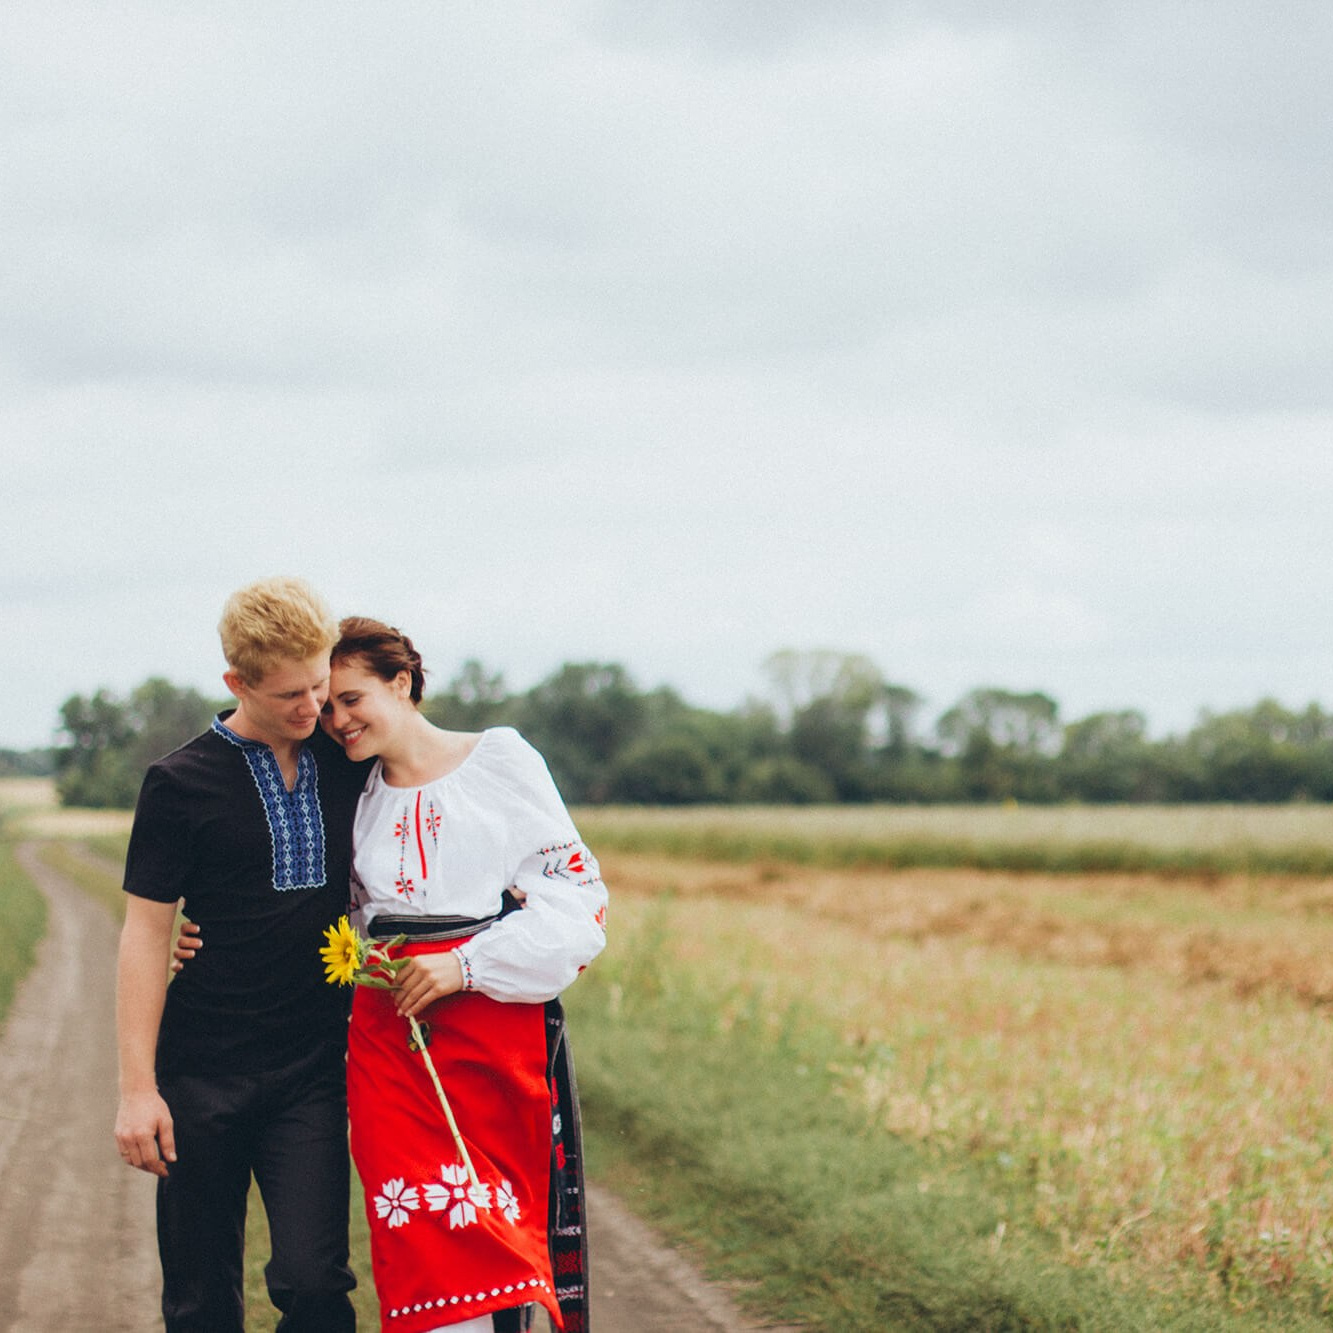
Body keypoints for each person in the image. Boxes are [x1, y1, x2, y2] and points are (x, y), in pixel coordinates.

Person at [320, 617, 607, 1333]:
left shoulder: (500, 761)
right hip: (390, 1035)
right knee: (417, 1233)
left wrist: (466, 964)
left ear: (402, 681)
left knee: (498, 1230)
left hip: (489, 1026)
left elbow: (577, 899)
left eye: (351, 697)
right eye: (325, 707)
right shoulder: (345, 788)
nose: (337, 720)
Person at [115, 577, 370, 1331]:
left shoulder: (346, 756)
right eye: (290, 693)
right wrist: (137, 1089)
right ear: (236, 682)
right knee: (199, 1297)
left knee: (317, 1281)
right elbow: (144, 933)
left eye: (321, 683)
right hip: (200, 1075)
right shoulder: (177, 783)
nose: (312, 707)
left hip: (312, 1070)